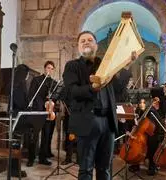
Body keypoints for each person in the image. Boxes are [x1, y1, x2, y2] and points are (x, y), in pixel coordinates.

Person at [63, 30, 136, 180]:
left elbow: (118, 89)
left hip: (108, 122)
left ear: (96, 45)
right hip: (87, 120)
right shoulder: (72, 66)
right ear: (78, 47)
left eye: (90, 40)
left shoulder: (106, 65)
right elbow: (72, 91)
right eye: (82, 41)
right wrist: (92, 88)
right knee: (86, 169)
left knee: (105, 169)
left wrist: (128, 65)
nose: (86, 42)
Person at [28, 60, 57, 166]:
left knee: (46, 135)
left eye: (52, 68)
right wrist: (43, 103)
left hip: (48, 112)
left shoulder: (53, 83)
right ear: (44, 68)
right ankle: (31, 158)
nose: (49, 70)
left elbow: (55, 97)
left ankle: (42, 158)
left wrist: (51, 100)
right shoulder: (37, 80)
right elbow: (32, 95)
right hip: (38, 110)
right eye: (48, 67)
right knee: (34, 135)